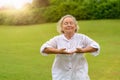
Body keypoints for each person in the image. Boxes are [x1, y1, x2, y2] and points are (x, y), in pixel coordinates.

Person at [40, 14, 100, 80]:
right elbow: (44, 49)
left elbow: (96, 47)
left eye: (71, 23)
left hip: (79, 75)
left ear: (75, 26)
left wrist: (83, 50)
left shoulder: (82, 37)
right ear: (62, 27)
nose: (69, 25)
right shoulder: (57, 39)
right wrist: (58, 51)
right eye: (66, 23)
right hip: (61, 75)